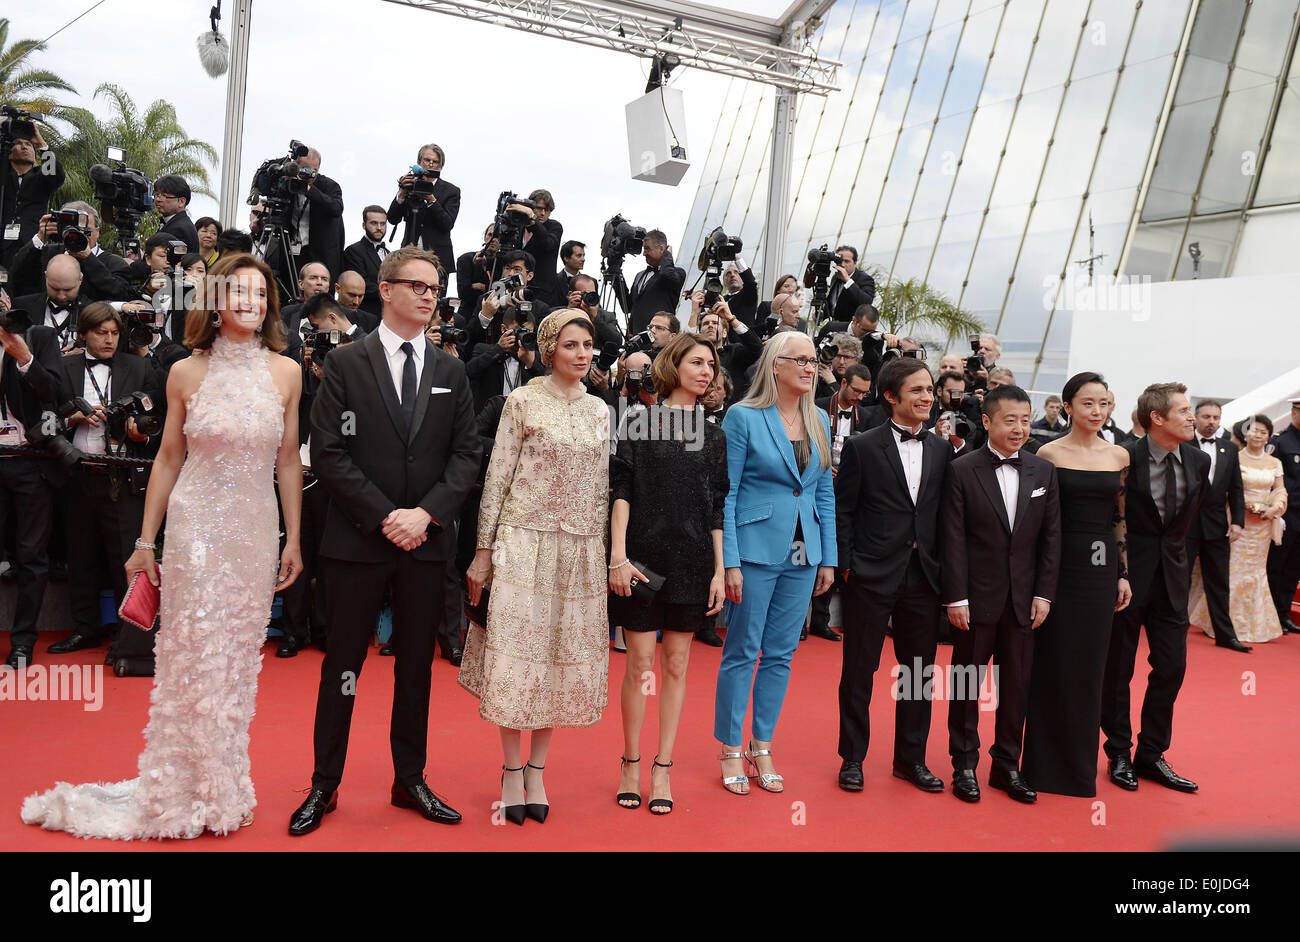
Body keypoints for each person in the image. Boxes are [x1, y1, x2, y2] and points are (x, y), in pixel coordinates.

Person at [22, 253, 304, 838]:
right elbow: (169, 457)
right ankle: (179, 787)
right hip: (196, 528)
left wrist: (293, 537)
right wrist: (145, 541)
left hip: (254, 531)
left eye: (260, 293)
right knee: (193, 659)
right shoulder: (184, 372)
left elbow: (286, 460)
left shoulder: (287, 374)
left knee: (235, 667)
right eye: (238, 292)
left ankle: (221, 782)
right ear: (216, 303)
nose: (249, 303)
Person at [291, 246, 481, 836]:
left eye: (436, 287)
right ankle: (324, 785)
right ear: (386, 288)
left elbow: (467, 454)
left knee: (417, 671)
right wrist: (384, 516)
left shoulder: (451, 370)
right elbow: (328, 451)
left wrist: (424, 515)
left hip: (426, 548)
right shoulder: (346, 363)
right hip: (355, 545)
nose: (430, 295)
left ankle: (410, 779)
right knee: (342, 668)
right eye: (418, 285)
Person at [461, 310, 610, 825]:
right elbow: (497, 477)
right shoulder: (522, 401)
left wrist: (605, 553)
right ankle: (508, 769)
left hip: (579, 550)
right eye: (571, 344)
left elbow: (601, 488)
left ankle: (537, 769)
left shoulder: (599, 411)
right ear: (550, 350)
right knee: (518, 655)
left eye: (588, 344)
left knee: (559, 656)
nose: (583, 354)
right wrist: (484, 552)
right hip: (522, 543)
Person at [610, 332, 728, 814]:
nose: (706, 371)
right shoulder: (639, 423)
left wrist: (720, 570)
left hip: (694, 561)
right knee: (640, 665)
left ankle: (664, 767)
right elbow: (621, 493)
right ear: (673, 365)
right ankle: (630, 763)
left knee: (677, 665)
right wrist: (616, 556)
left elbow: (717, 506)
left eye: (711, 365)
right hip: (641, 560)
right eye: (697, 361)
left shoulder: (716, 434)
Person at [715, 331, 836, 796]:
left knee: (782, 653)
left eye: (813, 360)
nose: (810, 367)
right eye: (801, 360)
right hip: (755, 547)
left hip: (805, 552)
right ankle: (729, 747)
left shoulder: (820, 418)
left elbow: (823, 491)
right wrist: (730, 561)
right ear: (775, 365)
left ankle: (761, 744)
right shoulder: (743, 417)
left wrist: (828, 557)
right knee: (743, 649)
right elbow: (727, 491)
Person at [835, 359, 954, 795]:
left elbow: (943, 515)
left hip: (923, 577)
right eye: (918, 390)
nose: (928, 397)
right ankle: (852, 758)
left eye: (930, 390)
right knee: (859, 669)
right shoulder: (863, 446)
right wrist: (847, 565)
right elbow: (844, 508)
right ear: (890, 396)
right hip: (870, 573)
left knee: (919, 673)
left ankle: (911, 759)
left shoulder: (943, 450)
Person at [942, 385, 1061, 804]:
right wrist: (956, 597)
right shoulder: (961, 469)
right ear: (988, 421)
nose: (1020, 428)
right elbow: (952, 538)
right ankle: (964, 764)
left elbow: (1051, 538)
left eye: (1026, 420)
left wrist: (1044, 593)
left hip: (1025, 601)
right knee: (966, 684)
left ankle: (1007, 766)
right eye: (1010, 420)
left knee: (1017, 686)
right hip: (976, 599)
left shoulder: (1043, 471)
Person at [1019, 372, 1131, 797]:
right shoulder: (1047, 451)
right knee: (1053, 663)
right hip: (1057, 565)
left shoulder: (1119, 455)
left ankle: (1079, 771)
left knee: (1090, 665)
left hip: (1099, 569)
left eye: (1103, 403)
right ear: (1068, 407)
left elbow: (1120, 518)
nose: (1097, 411)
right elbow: (1040, 518)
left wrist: (1122, 574)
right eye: (1088, 403)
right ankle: (1043, 767)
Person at [1101, 382, 1207, 794]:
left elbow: (1184, 523)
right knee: (1118, 669)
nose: (1191, 416)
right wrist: (1117, 573)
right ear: (1157, 418)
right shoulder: (1125, 455)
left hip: (1173, 578)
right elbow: (1114, 518)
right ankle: (1119, 752)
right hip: (1128, 578)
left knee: (1171, 666)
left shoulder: (1199, 461)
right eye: (1183, 410)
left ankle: (1151, 753)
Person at [45, 304, 160, 657]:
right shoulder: (63, 369)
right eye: (101, 333)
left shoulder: (139, 366)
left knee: (123, 557)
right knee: (80, 557)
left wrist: (141, 436)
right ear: (84, 334)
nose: (109, 340)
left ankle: (128, 639)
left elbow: (158, 421)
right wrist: (71, 420)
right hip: (76, 475)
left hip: (122, 476)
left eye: (114, 333)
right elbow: (43, 419)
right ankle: (85, 629)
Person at [0, 317, 64, 671]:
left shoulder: (38, 337)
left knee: (30, 554)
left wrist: (25, 359)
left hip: (28, 460)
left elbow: (53, 390)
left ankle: (23, 642)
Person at [1193, 415, 1287, 644]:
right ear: (1245, 433)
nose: (1258, 435)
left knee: (1256, 573)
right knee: (1230, 572)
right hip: (1237, 523)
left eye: (1263, 432)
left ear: (1269, 436)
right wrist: (1243, 507)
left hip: (1263, 526)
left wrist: (1275, 508)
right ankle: (1221, 623)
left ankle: (1253, 625)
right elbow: (1230, 487)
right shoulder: (1235, 456)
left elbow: (1280, 490)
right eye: (1254, 430)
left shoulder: (1275, 463)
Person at [1185, 399, 1250, 651]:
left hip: (1217, 526)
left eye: (1215, 417)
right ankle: (1174, 629)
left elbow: (1236, 489)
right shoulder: (1182, 444)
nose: (1211, 421)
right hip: (1185, 525)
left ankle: (1225, 635)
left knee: (1219, 582)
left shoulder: (1229, 449)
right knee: (1181, 580)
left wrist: (1238, 522)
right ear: (1196, 418)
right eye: (1206, 417)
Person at [389, 145, 459, 278]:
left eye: (435, 162)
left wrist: (431, 200)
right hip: (409, 254)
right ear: (419, 162)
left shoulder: (451, 191)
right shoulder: (410, 185)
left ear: (441, 166)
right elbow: (392, 218)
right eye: (427, 160)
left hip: (438, 258)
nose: (430, 164)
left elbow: (447, 224)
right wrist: (402, 193)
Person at [2, 122, 65, 268]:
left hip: (32, 243)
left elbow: (56, 175)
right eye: (18, 143)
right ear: (9, 153)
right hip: (3, 245)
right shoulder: (4, 174)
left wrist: (41, 142)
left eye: (29, 145)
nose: (24, 147)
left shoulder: (41, 176)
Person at [1267, 398, 1300, 633]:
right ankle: (1269, 613)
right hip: (1288, 514)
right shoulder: (1280, 442)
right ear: (1294, 413)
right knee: (1277, 564)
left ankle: (1283, 613)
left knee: (1294, 567)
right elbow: (1272, 481)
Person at [628, 230, 685, 335]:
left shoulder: (678, 273)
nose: (644, 253)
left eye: (647, 249)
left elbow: (666, 275)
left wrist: (667, 255)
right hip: (636, 339)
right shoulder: (639, 275)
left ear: (661, 249)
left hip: (659, 338)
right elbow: (628, 306)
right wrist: (618, 278)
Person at [803, 245, 874, 323]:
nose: (843, 264)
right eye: (839, 261)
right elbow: (833, 302)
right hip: (834, 326)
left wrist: (848, 280)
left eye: (847, 261)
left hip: (853, 328)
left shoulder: (864, 279)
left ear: (855, 263)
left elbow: (866, 303)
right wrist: (822, 314)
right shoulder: (836, 277)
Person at [342, 205, 390, 314]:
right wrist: (393, 293)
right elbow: (362, 285)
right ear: (364, 225)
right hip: (366, 315)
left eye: (383, 224)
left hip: (390, 315)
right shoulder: (353, 251)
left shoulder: (389, 254)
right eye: (374, 223)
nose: (379, 227)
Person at [151, 175, 200, 253]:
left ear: (181, 202)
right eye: (157, 194)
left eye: (164, 195)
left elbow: (166, 262)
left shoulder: (179, 229)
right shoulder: (171, 222)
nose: (158, 199)